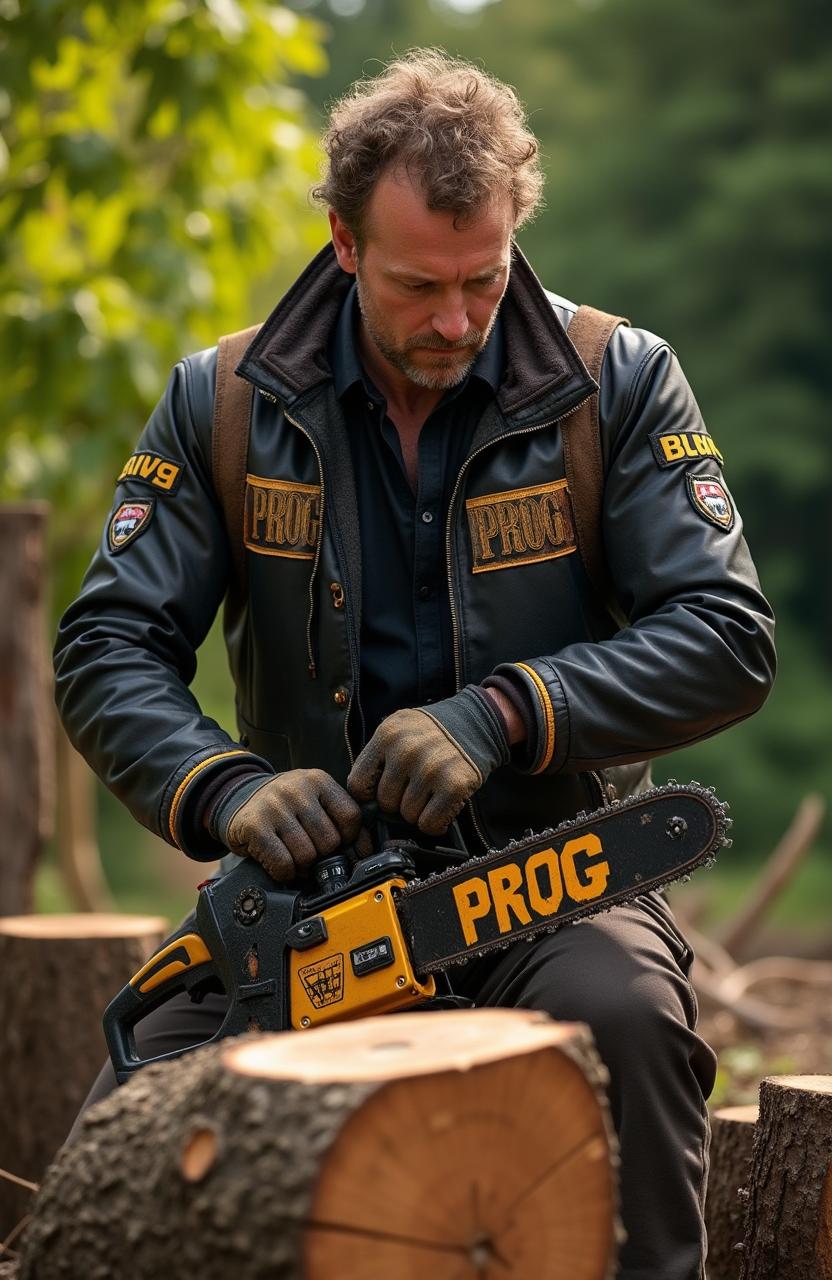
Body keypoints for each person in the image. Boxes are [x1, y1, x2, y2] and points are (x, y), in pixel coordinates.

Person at [54, 50, 775, 1279]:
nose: (454, 320)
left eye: (482, 280)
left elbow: (724, 631)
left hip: (554, 879)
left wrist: (511, 710)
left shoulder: (619, 382)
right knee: (113, 1158)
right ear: (342, 242)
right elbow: (107, 643)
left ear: (512, 236)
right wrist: (224, 787)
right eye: (417, 286)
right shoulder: (220, 402)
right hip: (300, 897)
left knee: (627, 1023)